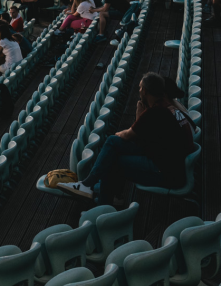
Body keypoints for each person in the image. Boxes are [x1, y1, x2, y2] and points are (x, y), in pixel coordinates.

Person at [59, 73, 194, 205]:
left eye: (140, 87)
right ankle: (104, 194)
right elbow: (143, 138)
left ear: (145, 91)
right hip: (172, 166)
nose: (139, 90)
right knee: (113, 145)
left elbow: (129, 135)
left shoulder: (155, 112)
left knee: (114, 156)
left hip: (167, 174)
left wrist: (135, 119)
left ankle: (102, 200)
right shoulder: (168, 107)